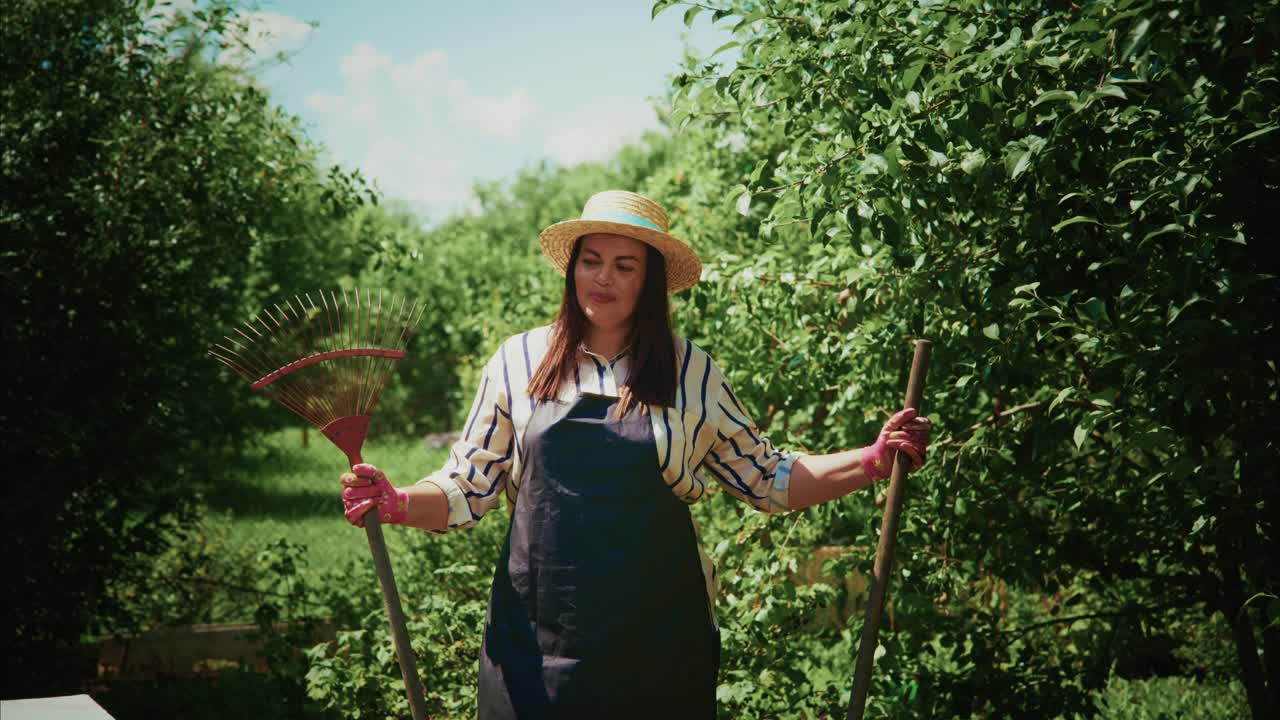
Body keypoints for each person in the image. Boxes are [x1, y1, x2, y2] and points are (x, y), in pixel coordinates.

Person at [339, 190, 931, 718]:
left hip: (658, 646)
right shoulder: (517, 362)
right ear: (572, 268)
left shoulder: (691, 372)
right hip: (536, 649)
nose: (604, 278)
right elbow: (467, 486)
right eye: (592, 261)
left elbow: (768, 477)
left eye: (625, 265)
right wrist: (394, 502)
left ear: (650, 280)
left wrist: (873, 460)